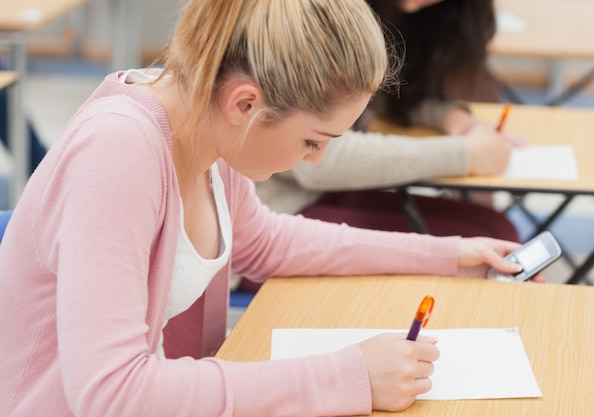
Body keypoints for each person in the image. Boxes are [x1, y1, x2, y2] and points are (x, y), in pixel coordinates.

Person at [0, 1, 525, 416]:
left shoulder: (206, 124)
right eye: (313, 141)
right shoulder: (118, 151)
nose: (316, 163)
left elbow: (267, 243)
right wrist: (351, 377)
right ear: (246, 104)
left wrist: (449, 254)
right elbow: (112, 394)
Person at [254, 0, 523, 222]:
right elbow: (311, 159)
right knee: (482, 240)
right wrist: (462, 154)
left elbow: (362, 97)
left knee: (494, 228)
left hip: (310, 194)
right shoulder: (313, 13)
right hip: (276, 209)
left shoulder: (412, 15)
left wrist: (447, 116)